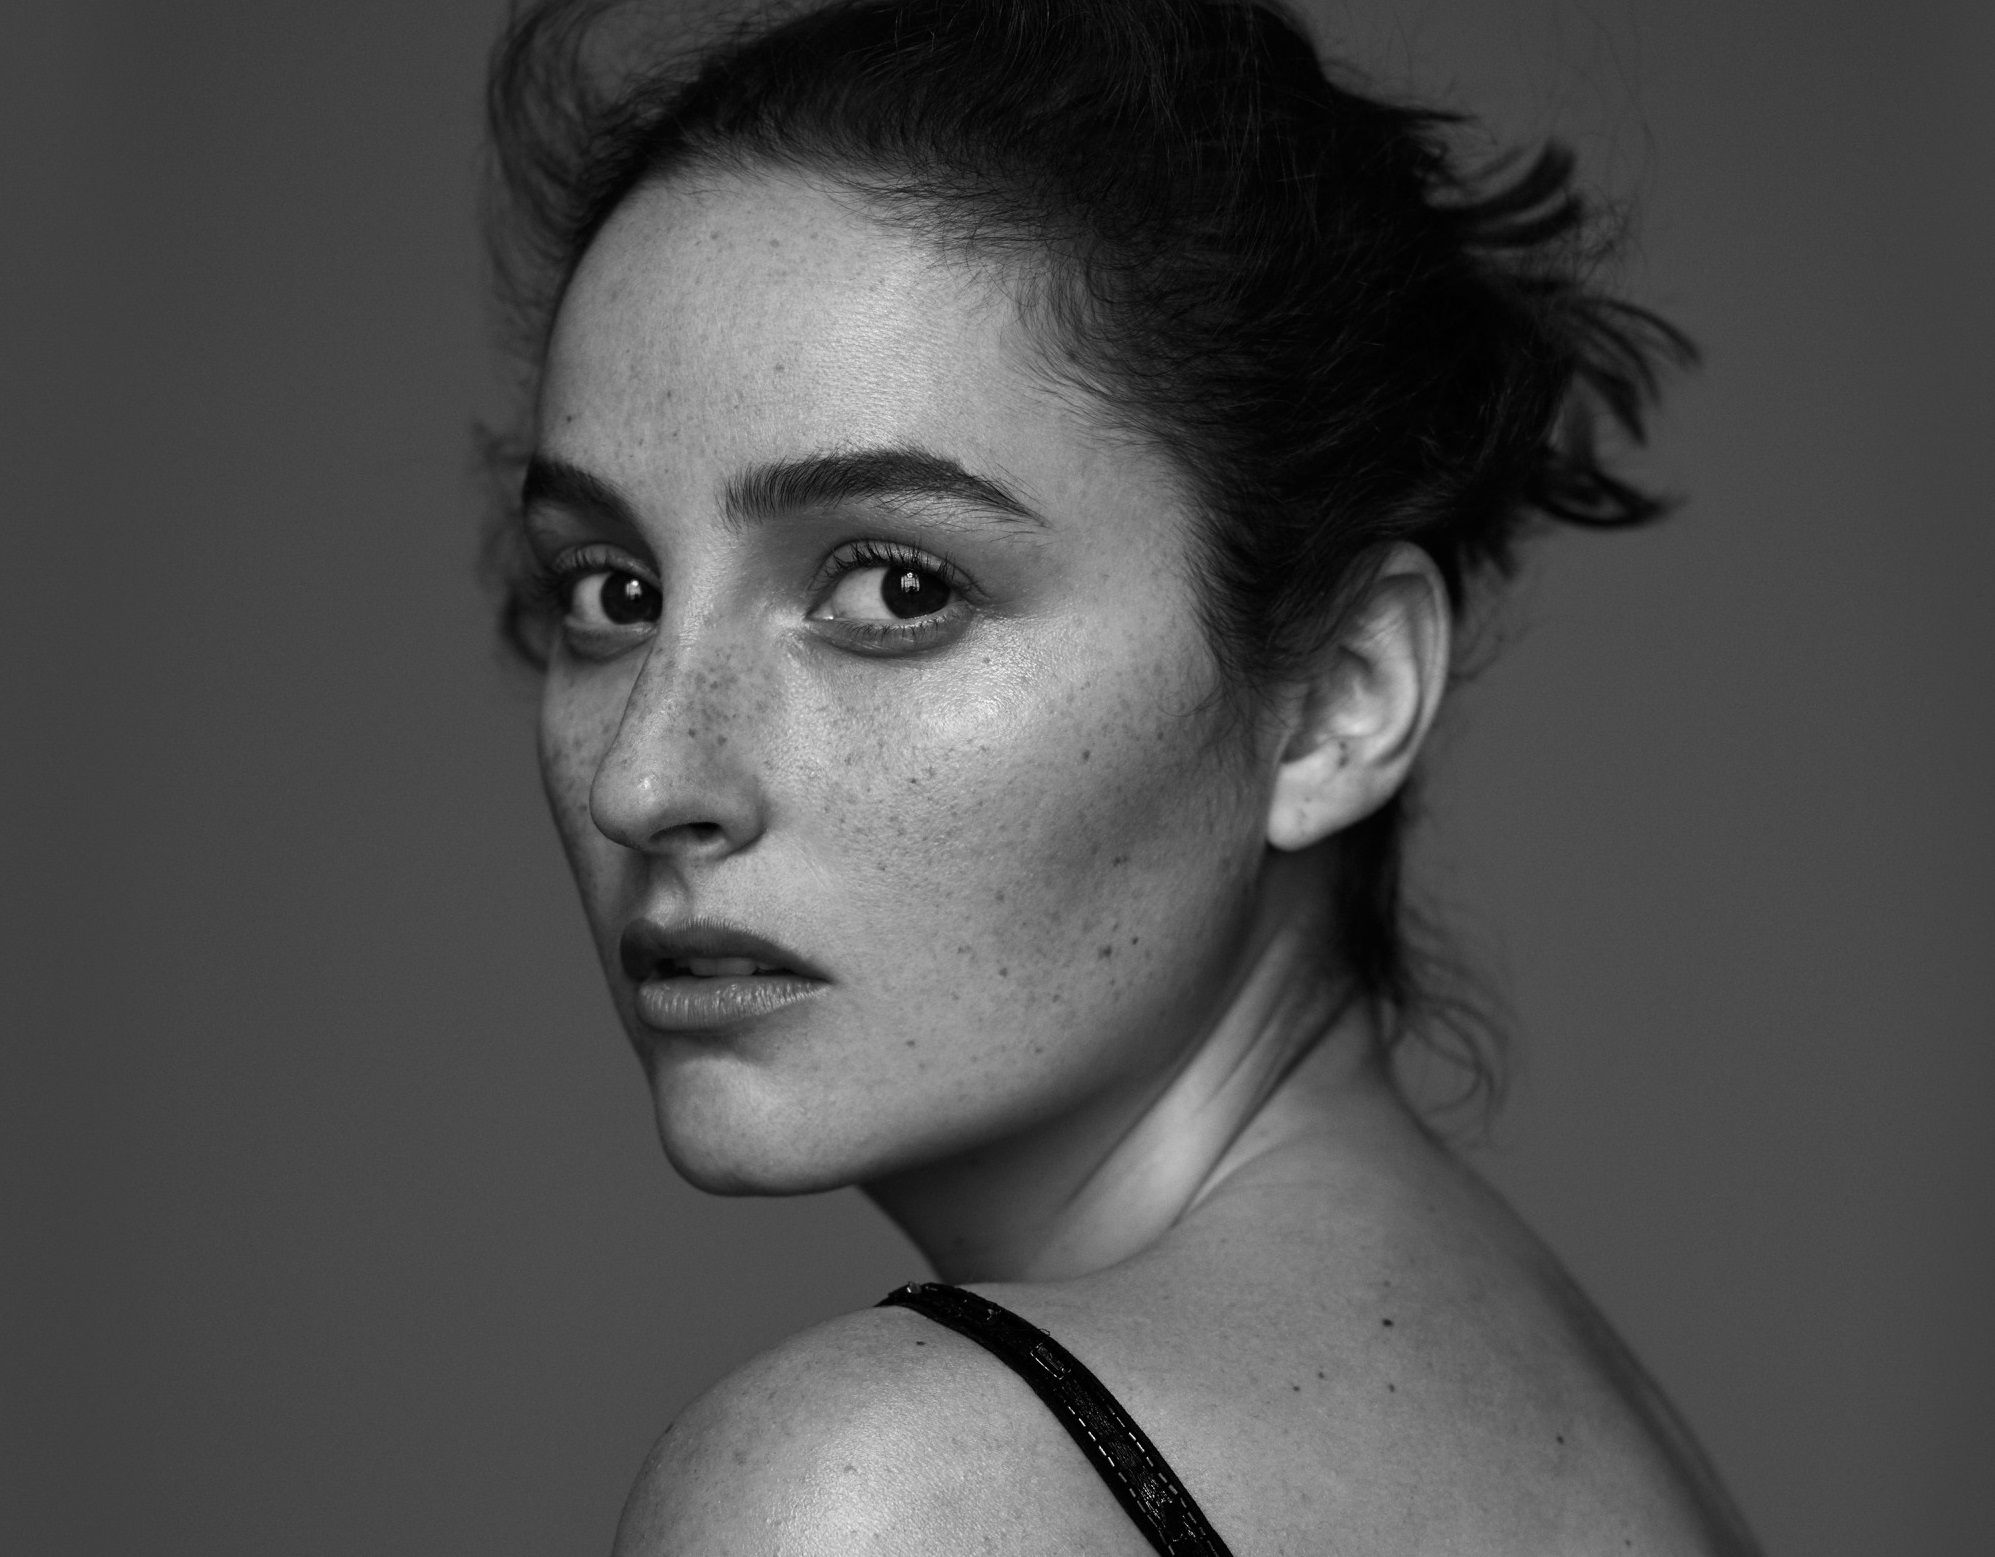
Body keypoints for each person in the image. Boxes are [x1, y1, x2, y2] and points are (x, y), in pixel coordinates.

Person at [482, 0, 1760, 1550]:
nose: (643, 779)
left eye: (896, 587)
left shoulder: (878, 1494)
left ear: (1338, 701)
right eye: (613, 591)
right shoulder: (1580, 1428)